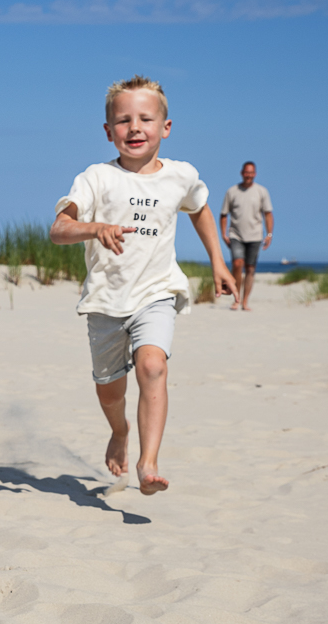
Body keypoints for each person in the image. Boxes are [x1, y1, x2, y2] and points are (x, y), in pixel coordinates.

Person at [51, 76, 236, 495]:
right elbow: (59, 228)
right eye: (123, 120)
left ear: (165, 127)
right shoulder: (96, 178)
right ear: (108, 131)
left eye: (146, 119)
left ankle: (148, 463)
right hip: (105, 301)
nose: (135, 128)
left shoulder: (181, 176)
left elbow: (201, 209)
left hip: (156, 292)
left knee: (154, 366)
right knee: (109, 391)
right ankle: (120, 430)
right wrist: (94, 228)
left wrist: (219, 263)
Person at [219, 161, 274, 311]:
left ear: (255, 174)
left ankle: (245, 301)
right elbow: (223, 214)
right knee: (237, 264)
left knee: (250, 268)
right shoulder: (232, 191)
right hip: (236, 234)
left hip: (255, 236)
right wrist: (223, 234)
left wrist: (269, 234)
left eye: (251, 173)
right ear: (242, 173)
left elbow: (268, 214)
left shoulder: (262, 192)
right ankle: (236, 298)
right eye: (246, 172)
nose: (248, 175)